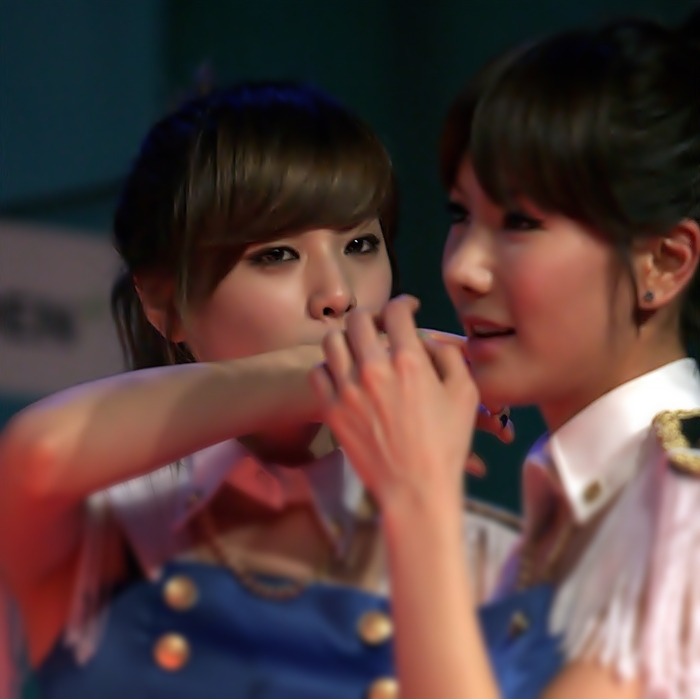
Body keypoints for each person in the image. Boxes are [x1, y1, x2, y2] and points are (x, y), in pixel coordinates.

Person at [0, 81, 514, 699]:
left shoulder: (488, 558)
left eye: (360, 245)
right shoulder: (100, 522)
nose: (338, 293)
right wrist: (315, 375)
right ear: (165, 303)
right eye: (275, 255)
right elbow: (39, 453)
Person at [313, 11, 700, 699]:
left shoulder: (683, 510)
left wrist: (416, 494)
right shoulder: (575, 503)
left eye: (520, 222)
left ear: (664, 262)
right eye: (461, 214)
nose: (463, 269)